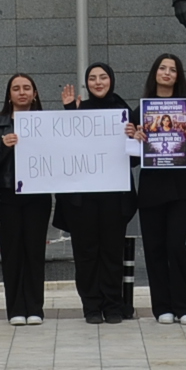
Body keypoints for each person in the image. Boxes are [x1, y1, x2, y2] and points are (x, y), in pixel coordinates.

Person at [57, 64, 136, 323]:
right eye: (92, 78)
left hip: (114, 198)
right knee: (86, 254)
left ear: (111, 80)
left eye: (103, 77)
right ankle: (91, 306)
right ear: (86, 83)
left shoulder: (126, 113)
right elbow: (66, 149)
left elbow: (134, 161)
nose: (98, 82)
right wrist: (69, 112)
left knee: (112, 253)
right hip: (83, 199)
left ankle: (113, 305)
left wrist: (133, 138)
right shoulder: (79, 111)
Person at [130, 54, 186, 324]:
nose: (167, 73)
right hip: (151, 187)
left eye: (173, 69)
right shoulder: (140, 111)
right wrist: (135, 139)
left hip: (182, 187)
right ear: (154, 73)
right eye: (162, 68)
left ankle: (184, 305)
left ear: (178, 76)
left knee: (175, 245)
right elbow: (134, 159)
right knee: (154, 248)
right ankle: (162, 307)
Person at [0, 73, 53, 325]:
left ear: (34, 94)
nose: (21, 92)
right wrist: (3, 146)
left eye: (26, 88)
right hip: (6, 194)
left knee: (34, 252)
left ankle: (35, 308)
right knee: (11, 253)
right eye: (16, 88)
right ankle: (15, 309)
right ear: (9, 95)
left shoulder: (48, 123)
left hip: (38, 195)